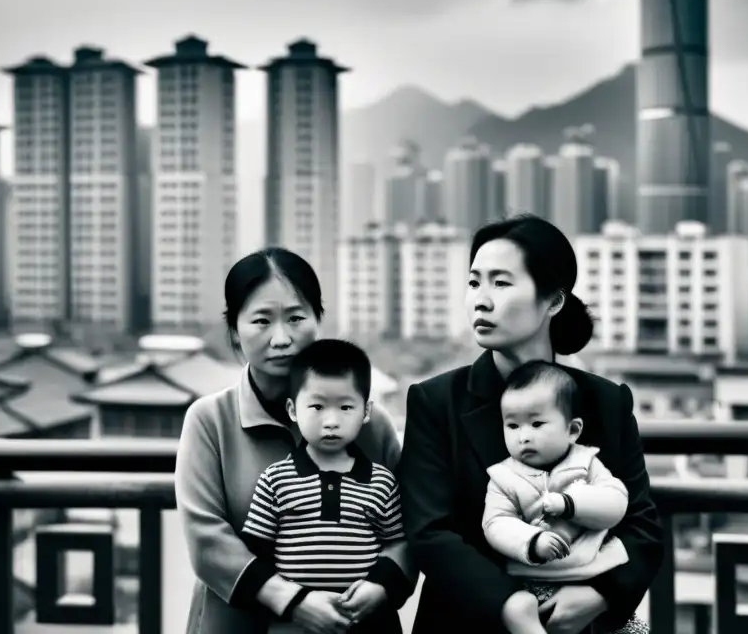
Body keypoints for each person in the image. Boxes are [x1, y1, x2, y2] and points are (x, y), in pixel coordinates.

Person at [398, 214, 664, 634]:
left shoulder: (605, 401)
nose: (481, 300)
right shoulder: (435, 401)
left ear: (554, 301)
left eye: (501, 283)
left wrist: (600, 596)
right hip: (467, 621)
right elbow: (430, 532)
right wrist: (511, 605)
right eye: (473, 283)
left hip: (578, 622)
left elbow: (642, 525)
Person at [175, 249, 415, 634]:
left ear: (319, 319)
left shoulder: (371, 424)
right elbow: (206, 539)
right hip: (240, 623)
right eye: (261, 320)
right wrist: (292, 600)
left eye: (296, 317)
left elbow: (408, 523)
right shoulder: (209, 420)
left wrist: (382, 586)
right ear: (235, 329)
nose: (282, 338)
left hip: (359, 623)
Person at [240, 339, 409, 634]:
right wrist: (290, 601)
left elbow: (397, 543)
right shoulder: (275, 480)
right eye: (317, 406)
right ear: (293, 409)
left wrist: (380, 586)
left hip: (366, 622)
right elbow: (256, 552)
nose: (331, 421)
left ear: (366, 411)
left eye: (345, 407)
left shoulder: (381, 482)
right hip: (295, 622)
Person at [484, 361, 647, 634]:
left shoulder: (586, 462)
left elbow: (616, 502)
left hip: (596, 574)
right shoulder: (503, 477)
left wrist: (570, 504)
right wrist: (532, 541)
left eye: (537, 423)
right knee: (522, 610)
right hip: (534, 579)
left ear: (573, 430)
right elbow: (496, 522)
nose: (523, 436)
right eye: (512, 426)